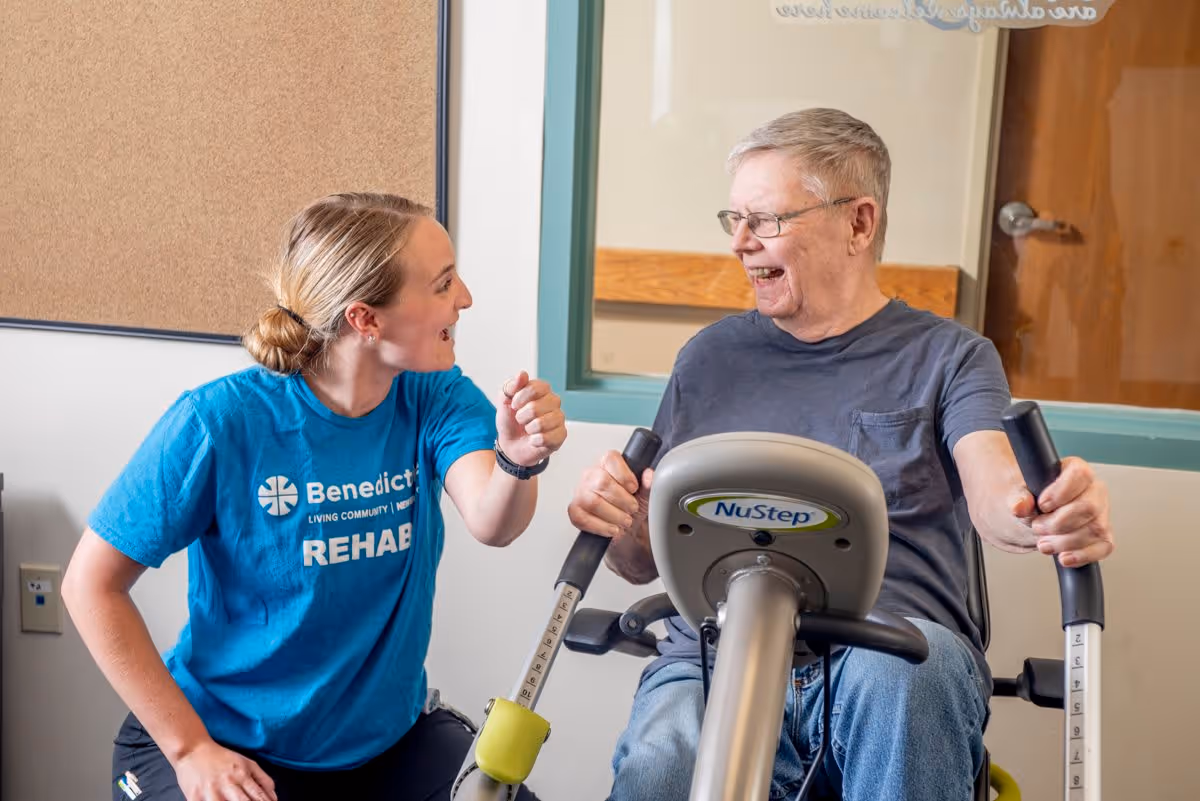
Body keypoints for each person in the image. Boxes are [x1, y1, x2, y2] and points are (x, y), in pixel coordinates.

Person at [568, 109, 1115, 801]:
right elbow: (640, 557)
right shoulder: (708, 359)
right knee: (660, 770)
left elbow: (999, 493)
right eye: (732, 219)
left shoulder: (950, 358)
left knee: (904, 679)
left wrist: (1050, 511)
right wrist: (617, 515)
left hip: (887, 651)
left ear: (859, 222)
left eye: (764, 220)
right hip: (713, 650)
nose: (738, 243)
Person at [62, 193, 563, 801]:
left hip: (384, 748)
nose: (465, 299)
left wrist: (518, 456)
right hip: (225, 741)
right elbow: (89, 585)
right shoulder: (219, 421)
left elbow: (493, 520)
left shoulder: (434, 394)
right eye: (443, 284)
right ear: (365, 319)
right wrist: (190, 750)